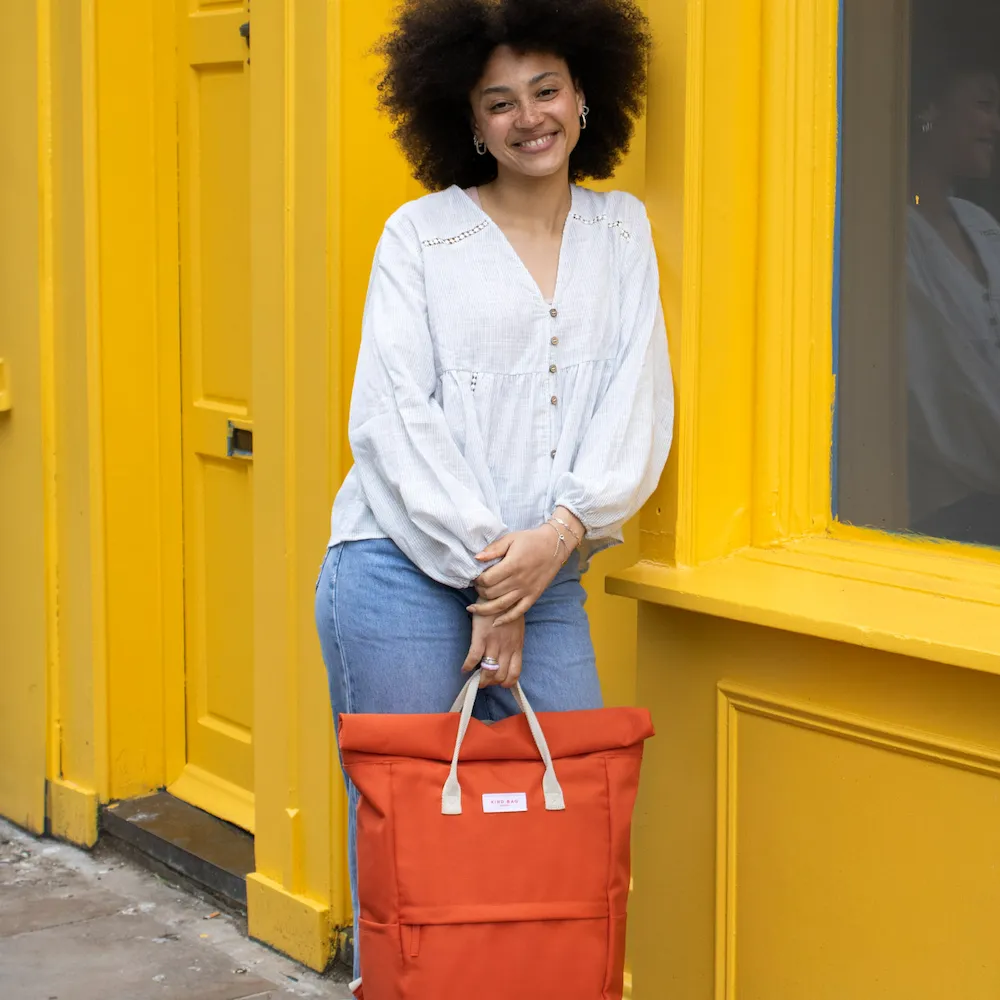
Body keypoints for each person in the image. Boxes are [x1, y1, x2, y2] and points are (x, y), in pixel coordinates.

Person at [313, 0, 673, 982]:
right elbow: (392, 416)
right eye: (499, 102)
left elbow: (635, 396)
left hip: (549, 571)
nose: (528, 118)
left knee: (570, 826)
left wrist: (556, 538)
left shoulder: (622, 230)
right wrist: (493, 577)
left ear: (586, 94)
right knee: (413, 843)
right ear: (468, 121)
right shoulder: (421, 237)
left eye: (545, 90)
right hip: (398, 569)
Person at [906, 9, 1000, 543]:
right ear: (930, 111)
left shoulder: (981, 225)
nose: (996, 125)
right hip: (949, 514)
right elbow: (943, 382)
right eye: (984, 104)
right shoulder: (890, 237)